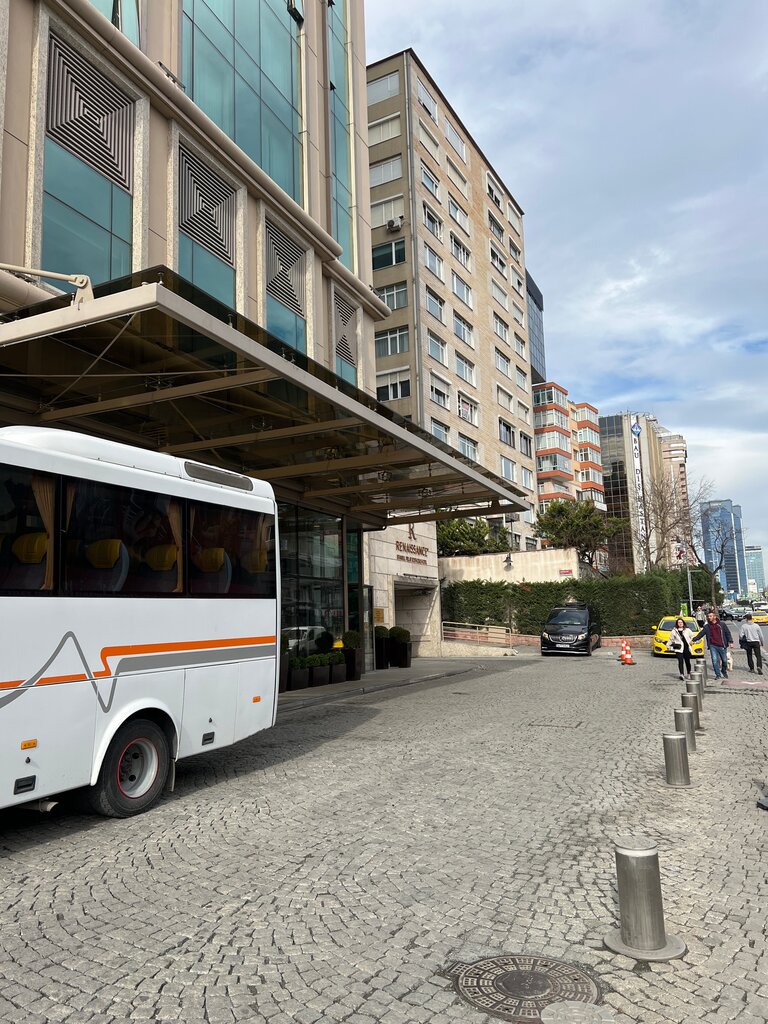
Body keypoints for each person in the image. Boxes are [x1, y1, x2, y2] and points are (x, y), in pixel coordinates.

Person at [691, 611, 733, 680]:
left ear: (714, 617)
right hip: (712, 645)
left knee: (725, 660)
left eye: (710, 616)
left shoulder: (722, 624)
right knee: (714, 660)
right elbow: (701, 634)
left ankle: (723, 670)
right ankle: (718, 674)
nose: (709, 617)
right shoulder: (707, 626)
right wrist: (694, 640)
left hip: (722, 645)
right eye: (708, 616)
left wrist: (730, 642)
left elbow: (727, 633)